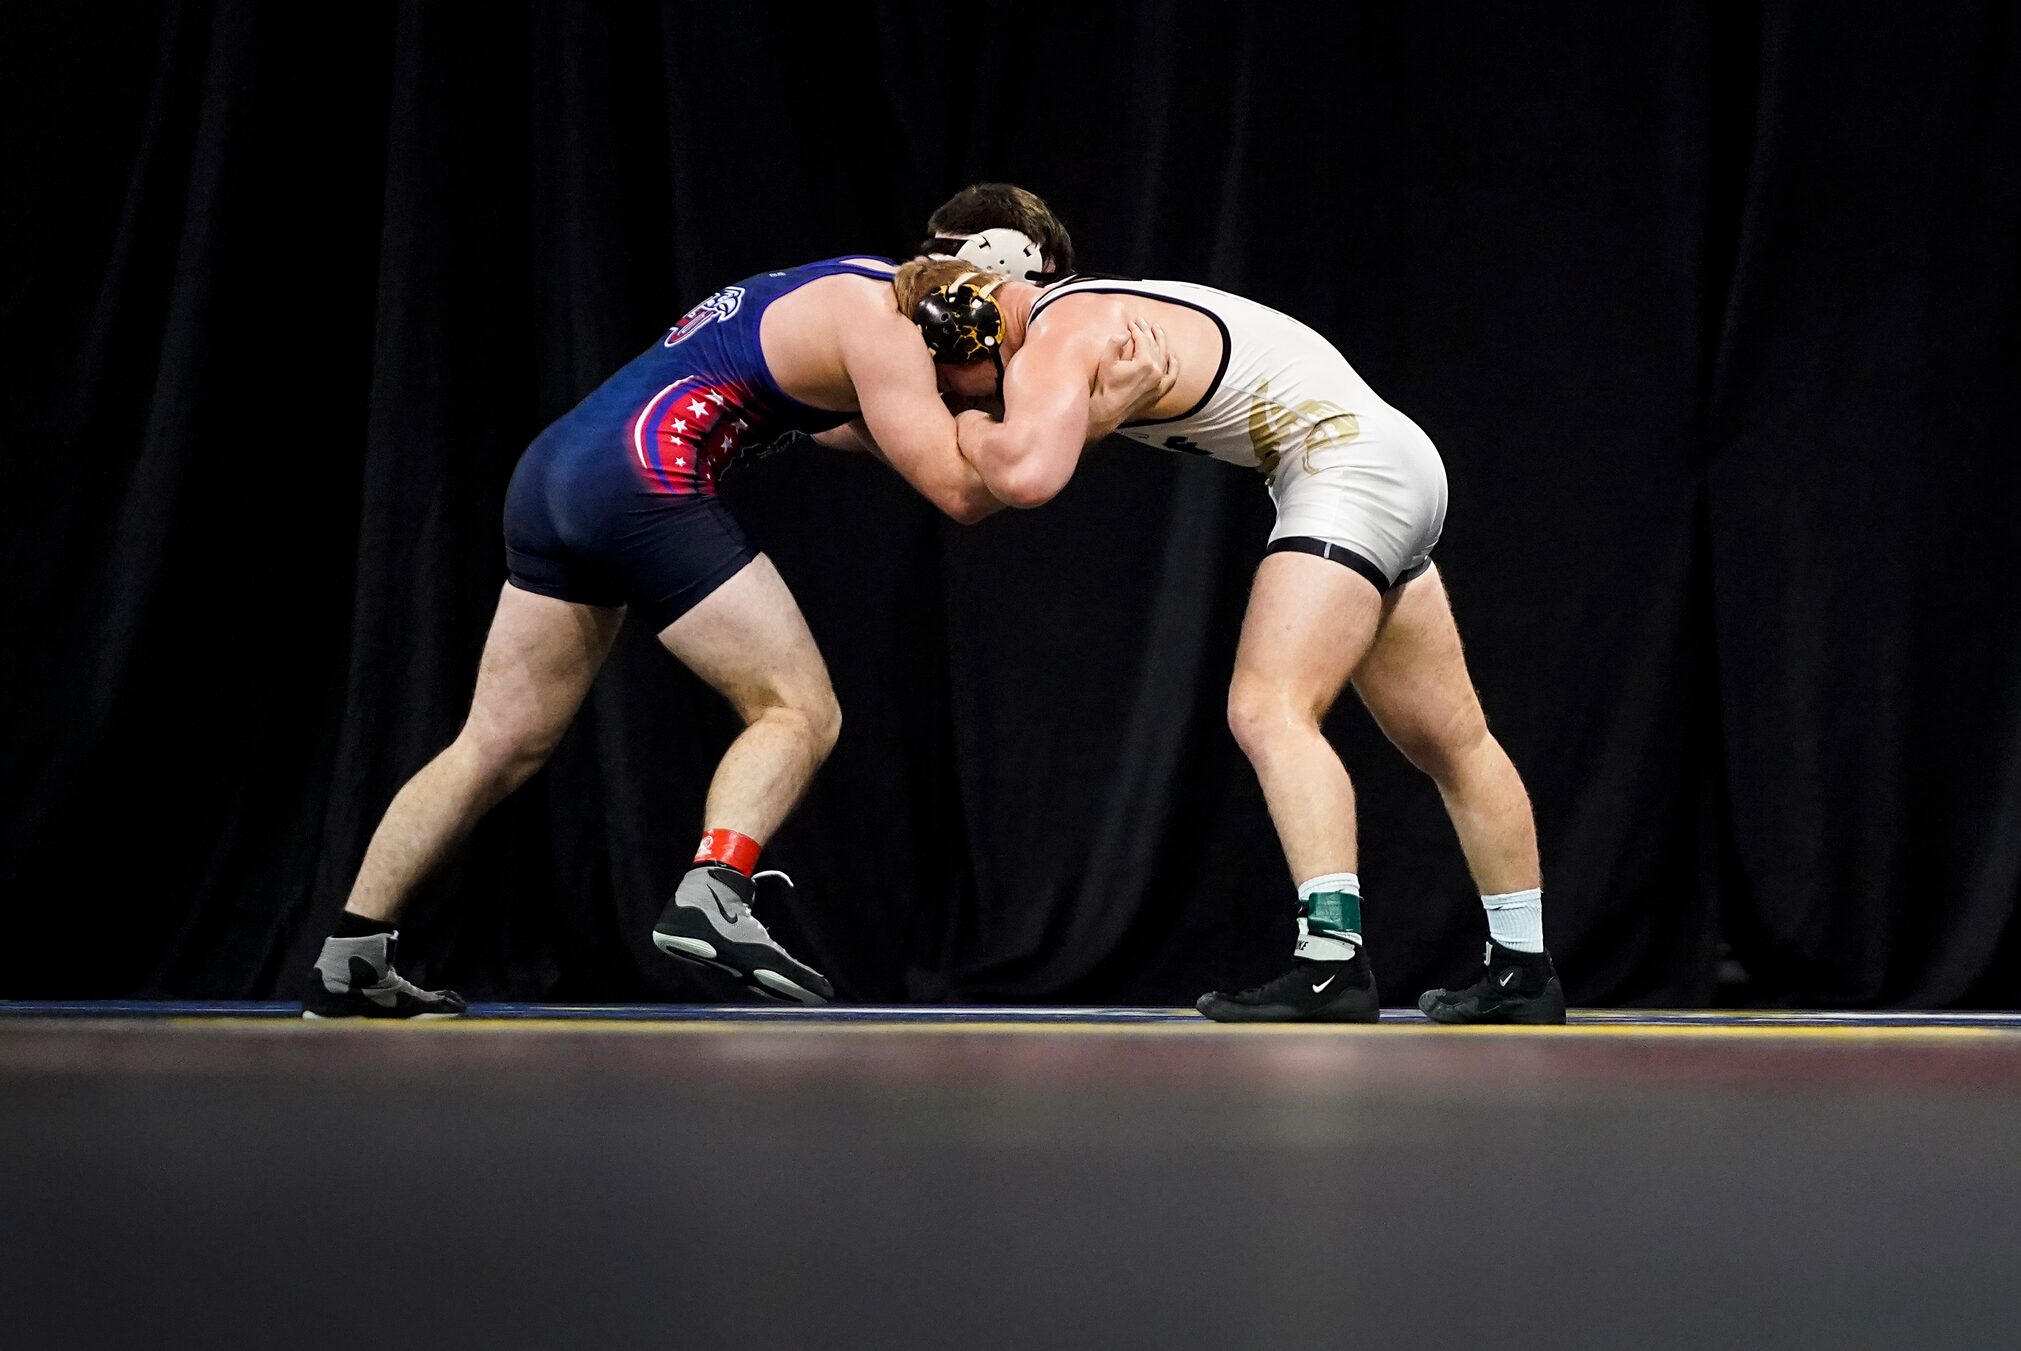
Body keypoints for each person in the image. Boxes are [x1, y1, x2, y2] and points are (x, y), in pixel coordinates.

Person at [303, 238, 1174, 1016]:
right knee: (799, 710)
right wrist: (1091, 416)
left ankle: (351, 955)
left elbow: (854, 428)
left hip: (555, 472)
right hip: (642, 475)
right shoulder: (889, 331)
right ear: (970, 320)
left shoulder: (845, 286)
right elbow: (961, 494)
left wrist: (983, 424)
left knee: (496, 741)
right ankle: (715, 891)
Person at [904, 184, 1564, 1024]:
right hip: (1386, 458)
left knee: (1269, 708)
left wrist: (969, 433)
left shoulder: (1060, 332)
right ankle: (1524, 968)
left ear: (985, 273)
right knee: (1455, 741)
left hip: (1342, 463)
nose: (939, 346)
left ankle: (1332, 961)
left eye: (940, 297)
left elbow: (1025, 477)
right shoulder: (1090, 317)